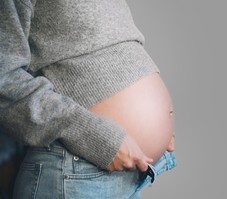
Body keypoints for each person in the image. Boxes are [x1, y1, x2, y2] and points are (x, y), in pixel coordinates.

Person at [0, 0, 177, 198]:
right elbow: (4, 80)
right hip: (76, 171)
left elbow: (111, 44)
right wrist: (96, 136)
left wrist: (156, 121)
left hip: (128, 174)